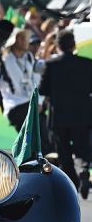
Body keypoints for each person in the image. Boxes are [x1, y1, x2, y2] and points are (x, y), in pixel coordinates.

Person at [39, 30, 92, 198]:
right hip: (82, 115)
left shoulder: (51, 64)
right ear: (73, 45)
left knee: (63, 152)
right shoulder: (87, 63)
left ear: (58, 46)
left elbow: (43, 89)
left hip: (59, 116)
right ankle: (83, 171)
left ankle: (73, 185)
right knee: (82, 148)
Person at [0, 29, 40, 131]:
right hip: (16, 106)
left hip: (31, 103)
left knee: (45, 136)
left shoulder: (29, 57)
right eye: (21, 38)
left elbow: (36, 79)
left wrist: (39, 101)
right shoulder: (4, 61)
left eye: (25, 38)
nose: (25, 41)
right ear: (14, 41)